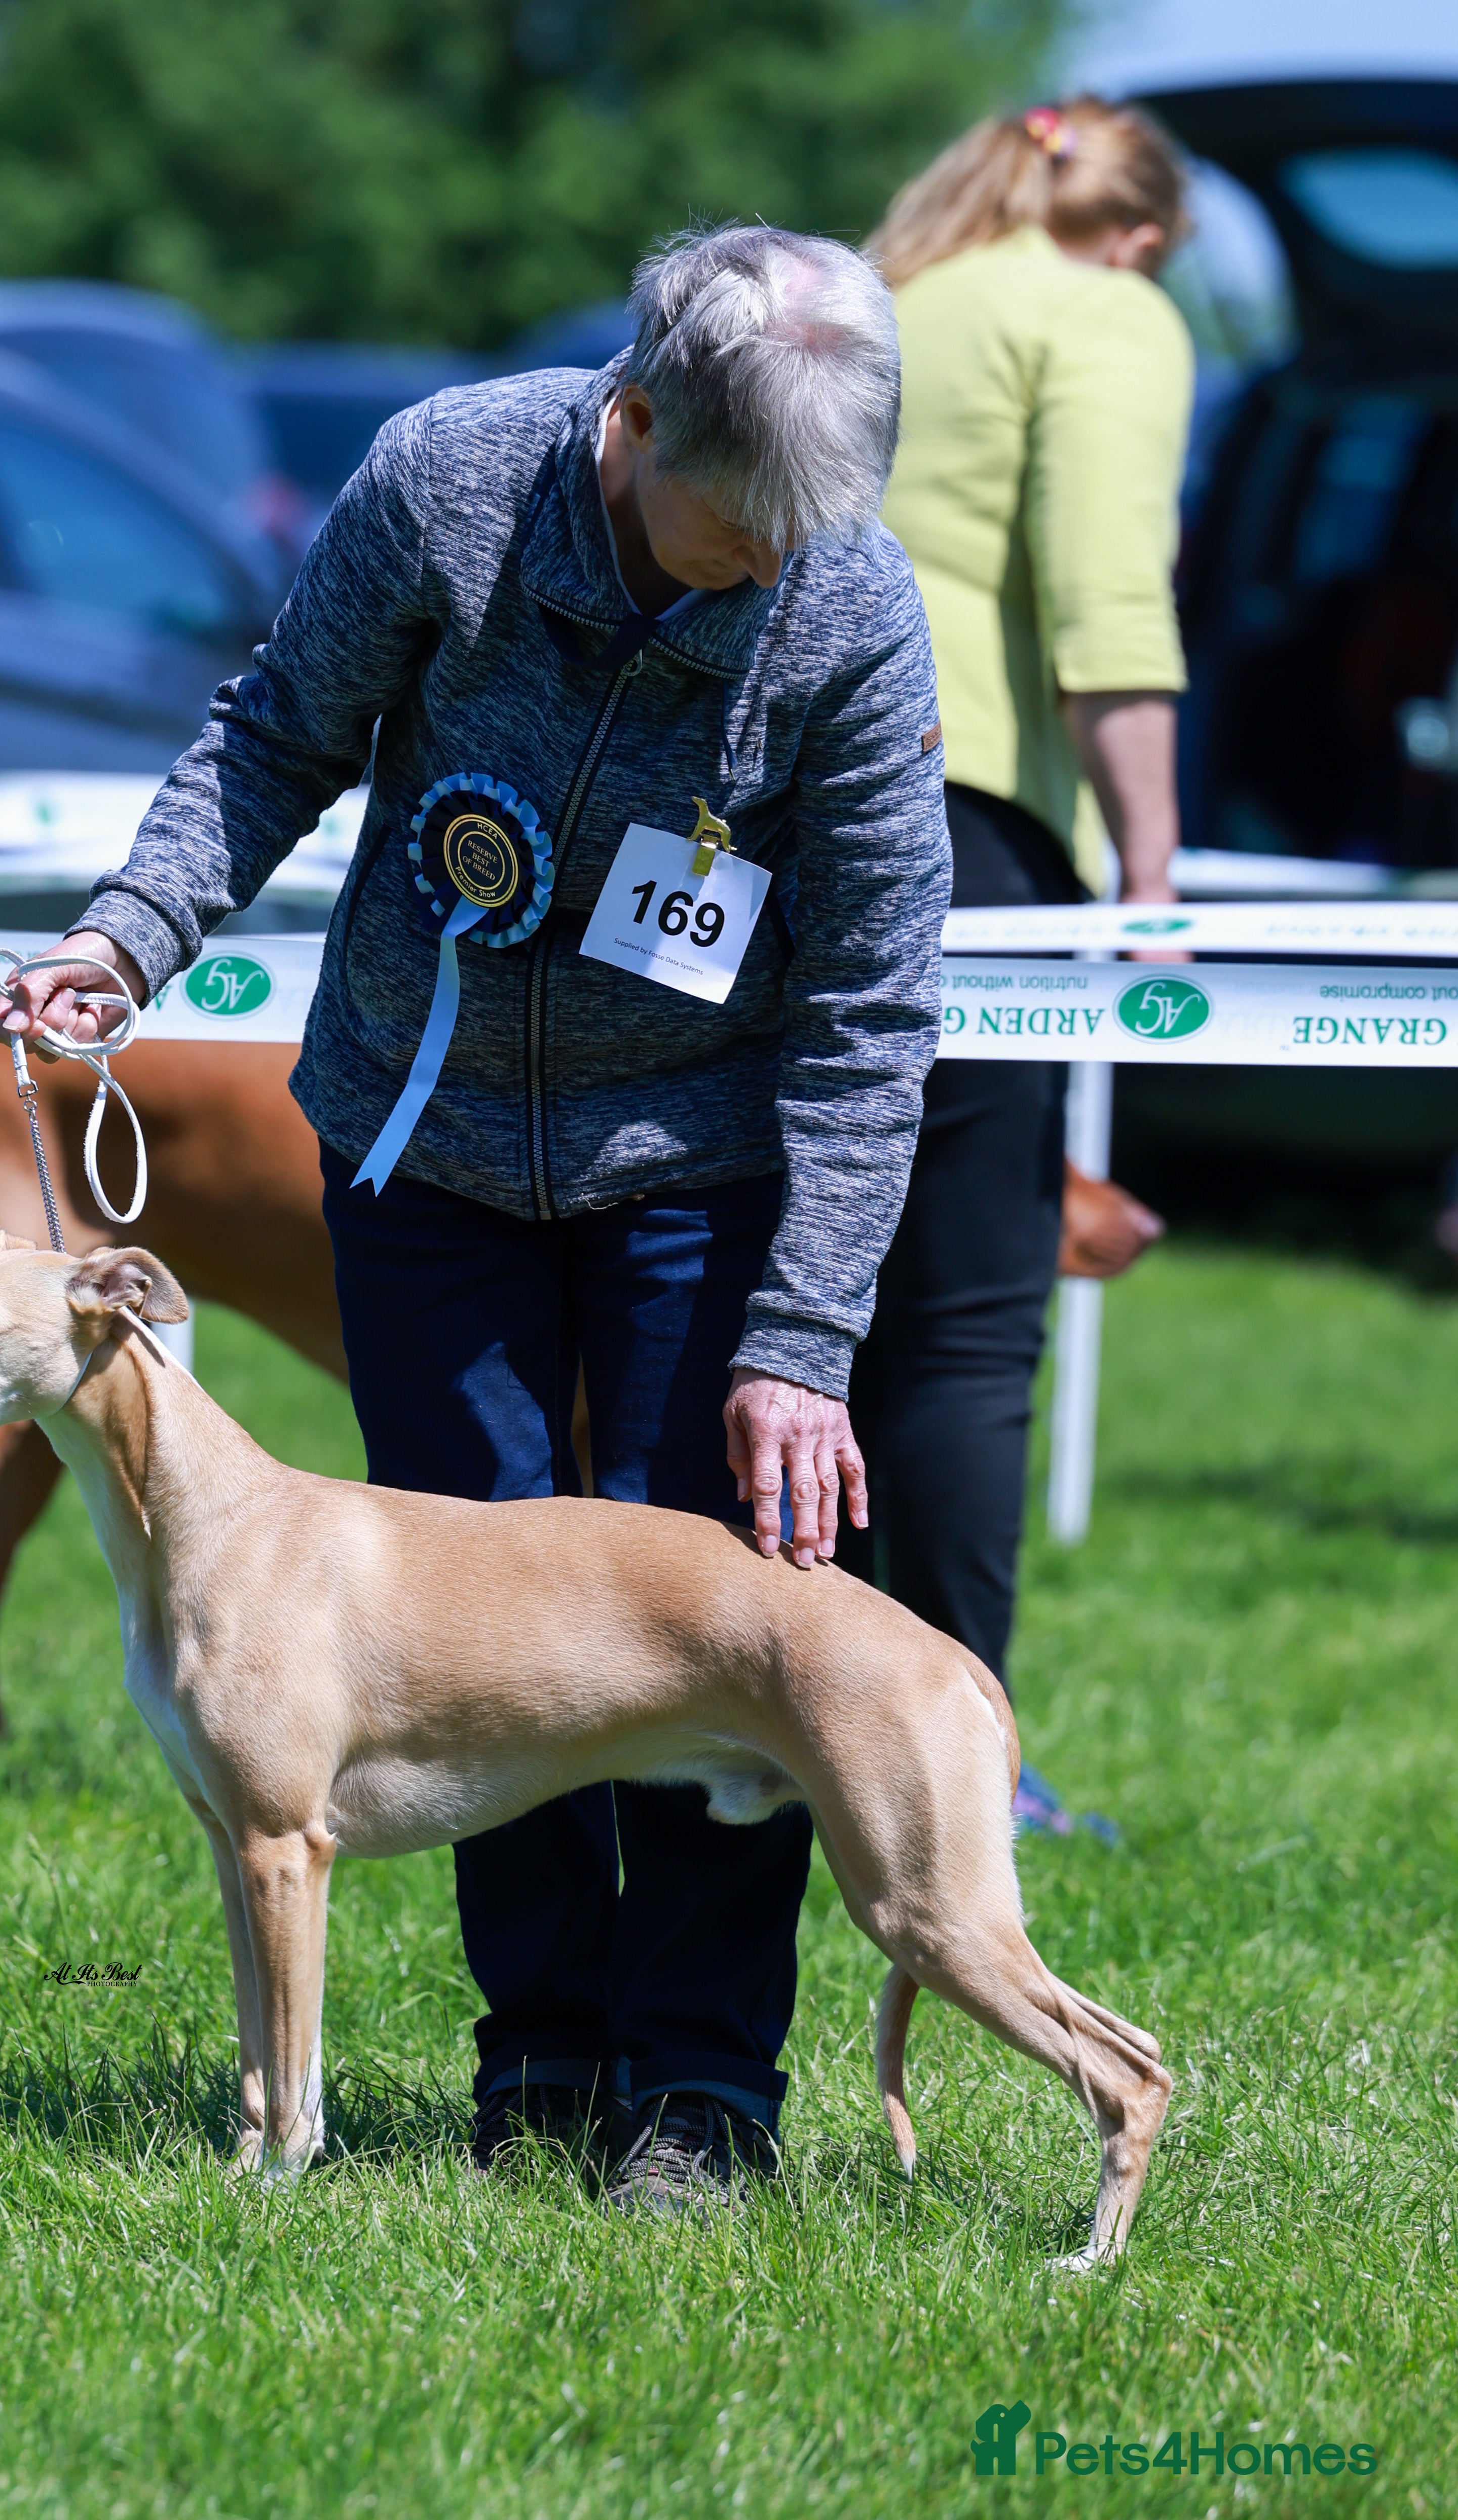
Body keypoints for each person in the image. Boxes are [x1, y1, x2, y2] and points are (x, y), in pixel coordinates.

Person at [0, 224, 950, 2209]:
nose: (775, 556)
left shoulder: (848, 601)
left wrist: (801, 1341)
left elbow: (870, 1014)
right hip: (421, 1155)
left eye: (806, 523)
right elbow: (274, 734)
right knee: (467, 1644)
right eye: (738, 512)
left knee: (714, 1639)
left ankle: (701, 2099)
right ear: (635, 415)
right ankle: (544, 2071)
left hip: (698, 1169)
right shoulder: (445, 479)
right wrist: (127, 934)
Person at [843, 98, 1190, 1825]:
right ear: (1140, 237)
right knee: (968, 1335)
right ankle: (964, 1771)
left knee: (802, 1294)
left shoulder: (888, 289)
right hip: (971, 830)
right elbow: (1109, 595)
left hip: (774, 824)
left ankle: (767, 1717)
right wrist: (1151, 864)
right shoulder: (1103, 314)